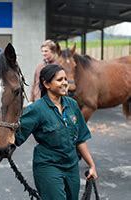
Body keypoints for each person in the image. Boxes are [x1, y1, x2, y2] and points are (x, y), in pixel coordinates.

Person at [15, 64, 98, 200]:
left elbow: (80, 139)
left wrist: (92, 165)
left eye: (65, 79)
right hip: (48, 166)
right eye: (60, 80)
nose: (65, 83)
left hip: (71, 166)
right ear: (46, 84)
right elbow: (15, 137)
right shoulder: (37, 109)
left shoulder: (72, 105)